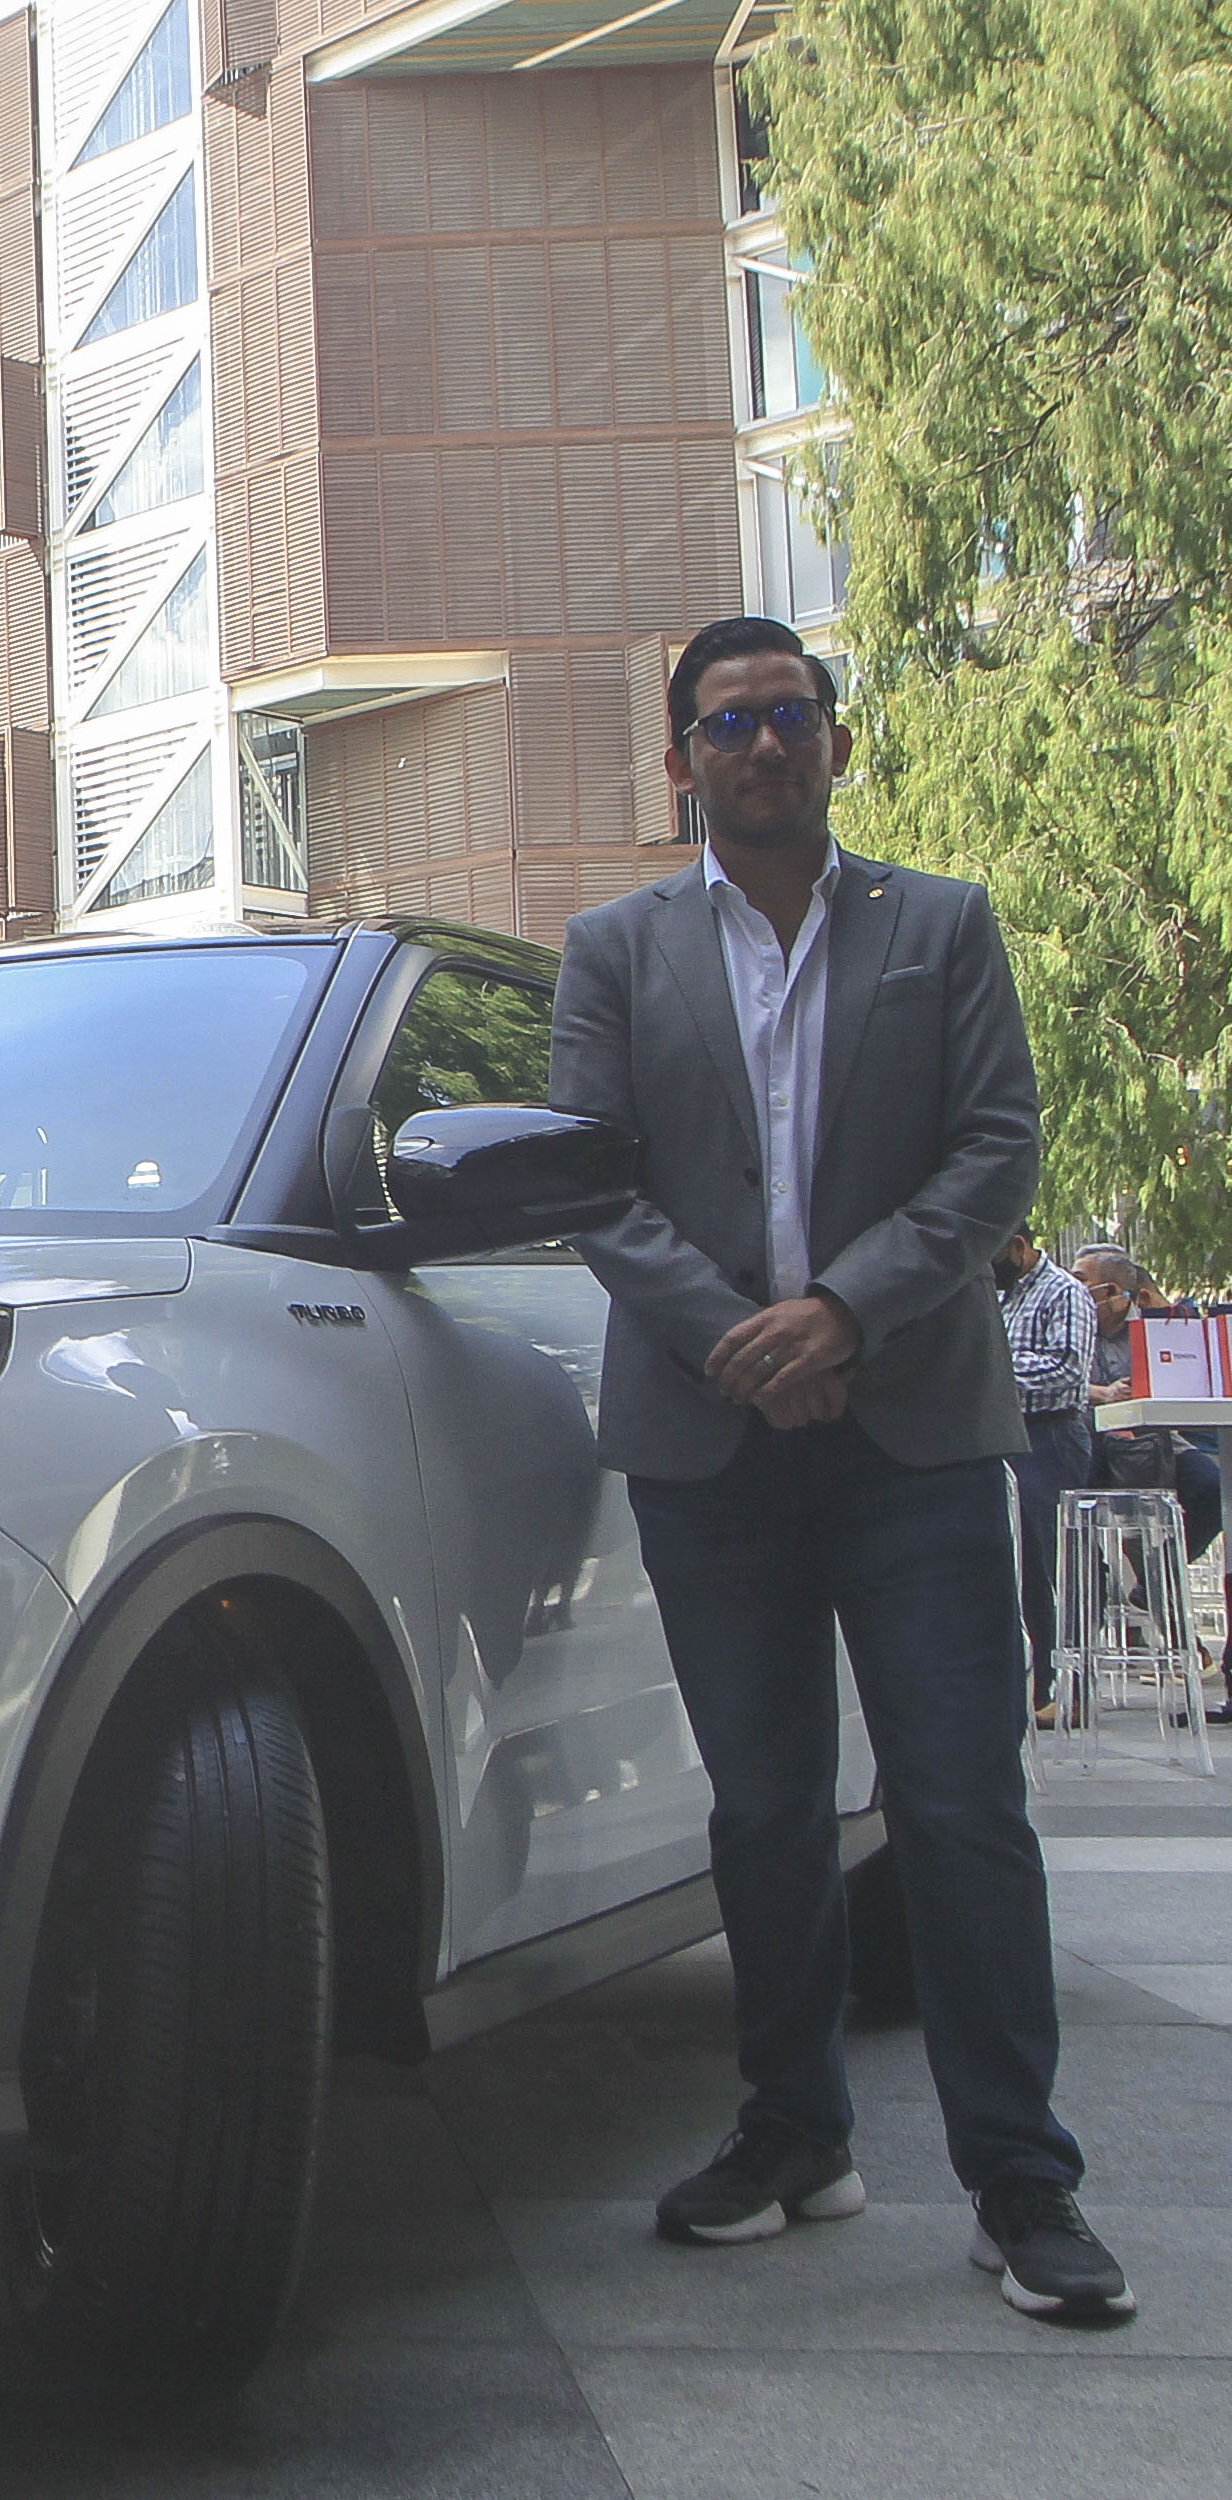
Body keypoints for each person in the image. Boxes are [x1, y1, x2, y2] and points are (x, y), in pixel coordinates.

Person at [551, 616, 1131, 2321]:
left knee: (957, 1806)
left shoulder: (935, 926)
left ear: (832, 743)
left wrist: (839, 1315)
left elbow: (990, 1146)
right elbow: (586, 1177)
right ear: (678, 762)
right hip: (704, 1437)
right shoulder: (612, 949)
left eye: (787, 715)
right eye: (724, 723)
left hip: (915, 1439)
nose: (758, 743)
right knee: (760, 1808)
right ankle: (791, 2133)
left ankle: (1017, 2184)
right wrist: (736, 1328)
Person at [995, 1232, 1098, 1720]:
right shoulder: (1001, 1296)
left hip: (1051, 1435)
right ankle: (1034, 1684)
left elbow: (1067, 1369)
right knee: (1020, 1567)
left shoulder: (1064, 1291)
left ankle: (1068, 1685)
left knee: (1051, 1563)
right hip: (1005, 1436)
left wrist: (991, 1367)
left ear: (1017, 1246)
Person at [1075, 1245, 1222, 1562]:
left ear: (1111, 1290)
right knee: (1073, 1499)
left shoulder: (1153, 1325)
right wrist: (1103, 1392)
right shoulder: (1069, 1322)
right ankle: (1095, 1589)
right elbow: (1060, 1380)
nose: (1073, 1289)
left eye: (1081, 1280)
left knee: (1212, 1487)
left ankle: (1162, 1572)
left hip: (1155, 1437)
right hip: (1089, 1437)